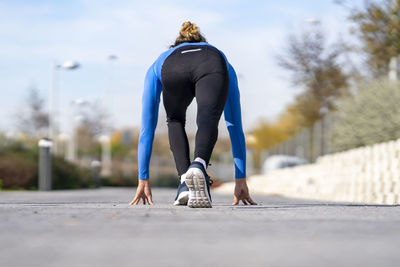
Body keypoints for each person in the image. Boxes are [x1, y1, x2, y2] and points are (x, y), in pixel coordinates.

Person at [129, 22, 256, 208]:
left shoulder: (161, 60)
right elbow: (234, 125)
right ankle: (199, 164)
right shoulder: (217, 54)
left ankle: (184, 183)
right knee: (208, 116)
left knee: (174, 120)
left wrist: (143, 179)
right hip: (211, 64)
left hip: (171, 69)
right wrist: (241, 178)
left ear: (176, 44)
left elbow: (147, 128)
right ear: (202, 41)